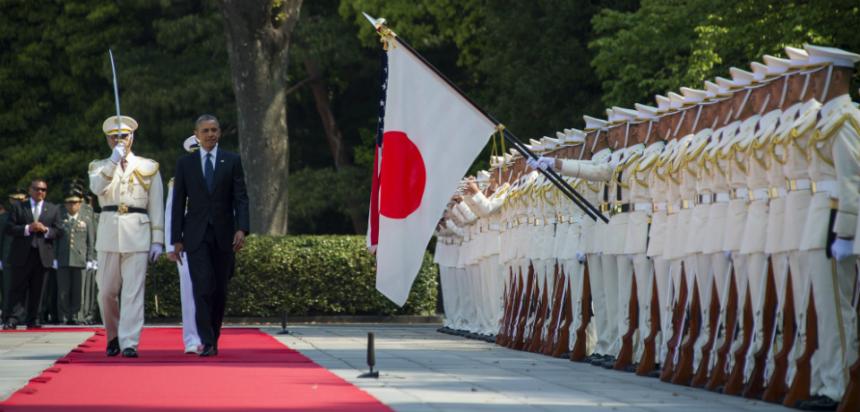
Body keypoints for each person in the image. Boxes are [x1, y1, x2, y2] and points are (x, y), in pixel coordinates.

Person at [170, 114, 249, 357]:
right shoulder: (186, 163)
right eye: (205, 131)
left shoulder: (232, 160)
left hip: (224, 235)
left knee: (220, 290)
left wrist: (241, 228)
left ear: (220, 133)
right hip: (196, 235)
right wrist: (176, 238)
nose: (210, 134)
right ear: (197, 134)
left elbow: (241, 197)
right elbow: (178, 201)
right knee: (203, 286)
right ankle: (207, 340)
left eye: (214, 130)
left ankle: (214, 334)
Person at [88, 115, 164, 357]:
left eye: (124, 136)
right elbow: (97, 189)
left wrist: (158, 239)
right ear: (108, 139)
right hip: (109, 231)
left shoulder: (148, 166)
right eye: (114, 136)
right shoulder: (98, 166)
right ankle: (113, 335)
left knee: (133, 292)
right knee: (106, 292)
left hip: (137, 231)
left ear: (132, 137)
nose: (119, 140)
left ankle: (130, 341)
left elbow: (156, 205)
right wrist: (112, 162)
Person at [2, 179, 64, 329]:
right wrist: (27, 228)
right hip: (22, 254)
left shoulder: (53, 209)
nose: (40, 192)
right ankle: (13, 318)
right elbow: (9, 228)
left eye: (43, 189)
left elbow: (60, 231)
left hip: (42, 255)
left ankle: (34, 318)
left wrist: (46, 230)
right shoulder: (19, 207)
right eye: (37, 189)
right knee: (17, 288)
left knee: (39, 288)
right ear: (30, 190)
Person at [165, 135, 203, 354]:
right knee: (189, 292)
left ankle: (207, 336)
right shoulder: (178, 180)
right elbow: (172, 212)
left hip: (211, 242)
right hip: (187, 243)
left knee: (210, 291)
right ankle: (191, 338)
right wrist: (171, 246)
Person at [55, 187, 95, 325]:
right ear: (65, 204)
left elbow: (90, 241)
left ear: (80, 204)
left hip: (80, 259)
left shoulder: (87, 220)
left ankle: (78, 316)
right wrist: (55, 258)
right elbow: (56, 240)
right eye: (69, 203)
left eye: (76, 203)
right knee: (63, 290)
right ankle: (65, 316)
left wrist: (90, 259)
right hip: (63, 259)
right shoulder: (60, 220)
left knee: (79, 290)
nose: (72, 206)